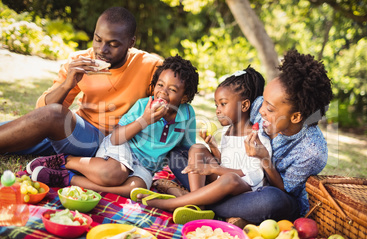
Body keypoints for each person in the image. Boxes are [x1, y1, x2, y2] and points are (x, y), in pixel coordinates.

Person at [164, 50, 333, 225]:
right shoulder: (259, 105)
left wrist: (264, 158)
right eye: (263, 101)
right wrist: (214, 147)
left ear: (296, 117)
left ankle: (194, 200)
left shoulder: (312, 151)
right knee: (179, 154)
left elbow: (285, 190)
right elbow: (234, 122)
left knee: (274, 201)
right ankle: (205, 201)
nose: (260, 109)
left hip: (262, 195)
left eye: (270, 108)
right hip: (233, 183)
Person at [27, 55, 199, 198]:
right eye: (160, 85)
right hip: (122, 148)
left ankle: (66, 178)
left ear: (184, 98)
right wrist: (145, 120)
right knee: (115, 174)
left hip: (145, 166)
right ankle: (66, 160)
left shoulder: (187, 115)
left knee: (136, 191)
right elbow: (116, 137)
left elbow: (187, 148)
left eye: (172, 90)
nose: (163, 92)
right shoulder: (143, 106)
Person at [0, 6, 162, 157]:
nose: (101, 50)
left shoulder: (149, 65)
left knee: (52, 115)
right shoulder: (79, 61)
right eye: (98, 40)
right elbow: (40, 112)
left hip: (112, 142)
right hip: (78, 131)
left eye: (113, 44)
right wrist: (67, 84)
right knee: (15, 129)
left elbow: (170, 104)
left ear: (131, 43)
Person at [132, 66, 271, 211]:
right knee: (197, 148)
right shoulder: (227, 131)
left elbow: (252, 175)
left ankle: (170, 204)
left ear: (244, 105)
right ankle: (196, 200)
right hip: (221, 181)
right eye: (216, 105)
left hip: (244, 188)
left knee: (230, 178)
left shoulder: (256, 137)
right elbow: (226, 161)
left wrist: (214, 168)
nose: (218, 110)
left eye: (223, 104)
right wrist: (213, 148)